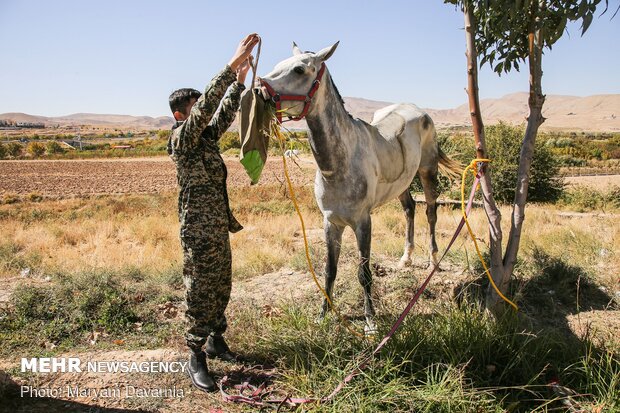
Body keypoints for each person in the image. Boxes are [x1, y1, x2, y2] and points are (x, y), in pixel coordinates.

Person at [167, 33, 259, 392]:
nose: (200, 110)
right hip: (197, 232)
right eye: (194, 106)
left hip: (217, 227)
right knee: (200, 291)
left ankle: (216, 340)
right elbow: (208, 108)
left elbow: (222, 113)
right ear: (180, 114)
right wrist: (230, 66)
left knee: (221, 284)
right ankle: (195, 354)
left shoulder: (204, 138)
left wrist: (239, 82)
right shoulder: (183, 140)